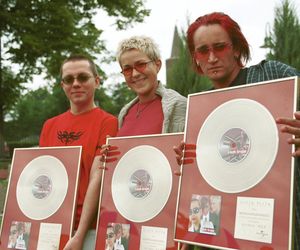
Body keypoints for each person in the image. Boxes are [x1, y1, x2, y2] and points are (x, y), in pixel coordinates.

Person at [174, 12, 300, 250]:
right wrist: (190, 165)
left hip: (284, 224)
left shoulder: (272, 75)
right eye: (202, 51)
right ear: (195, 58)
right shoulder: (202, 110)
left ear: (236, 48)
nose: (211, 58)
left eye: (219, 47)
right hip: (229, 233)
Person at [39, 54, 118, 250]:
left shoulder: (107, 122)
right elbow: (43, 178)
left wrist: (79, 235)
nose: (75, 84)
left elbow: (97, 177)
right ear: (62, 85)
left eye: (83, 77)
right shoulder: (49, 125)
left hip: (89, 229)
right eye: (68, 79)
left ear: (97, 81)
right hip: (52, 225)